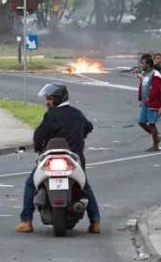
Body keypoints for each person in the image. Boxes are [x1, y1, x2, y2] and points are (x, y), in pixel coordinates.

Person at [15, 83, 101, 234]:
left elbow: (39, 135)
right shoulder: (77, 114)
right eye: (47, 98)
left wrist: (37, 147)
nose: (47, 101)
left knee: (31, 184)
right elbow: (89, 127)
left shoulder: (51, 116)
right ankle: (95, 222)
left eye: (49, 98)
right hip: (74, 160)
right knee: (84, 187)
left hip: (51, 160)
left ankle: (26, 221)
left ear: (58, 99)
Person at [138, 56, 161, 151]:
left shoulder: (155, 74)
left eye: (143, 63)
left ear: (148, 64)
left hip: (152, 102)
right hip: (145, 103)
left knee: (152, 124)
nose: (142, 65)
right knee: (141, 122)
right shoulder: (145, 74)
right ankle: (157, 136)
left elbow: (157, 89)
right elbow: (144, 86)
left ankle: (155, 145)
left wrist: (150, 98)